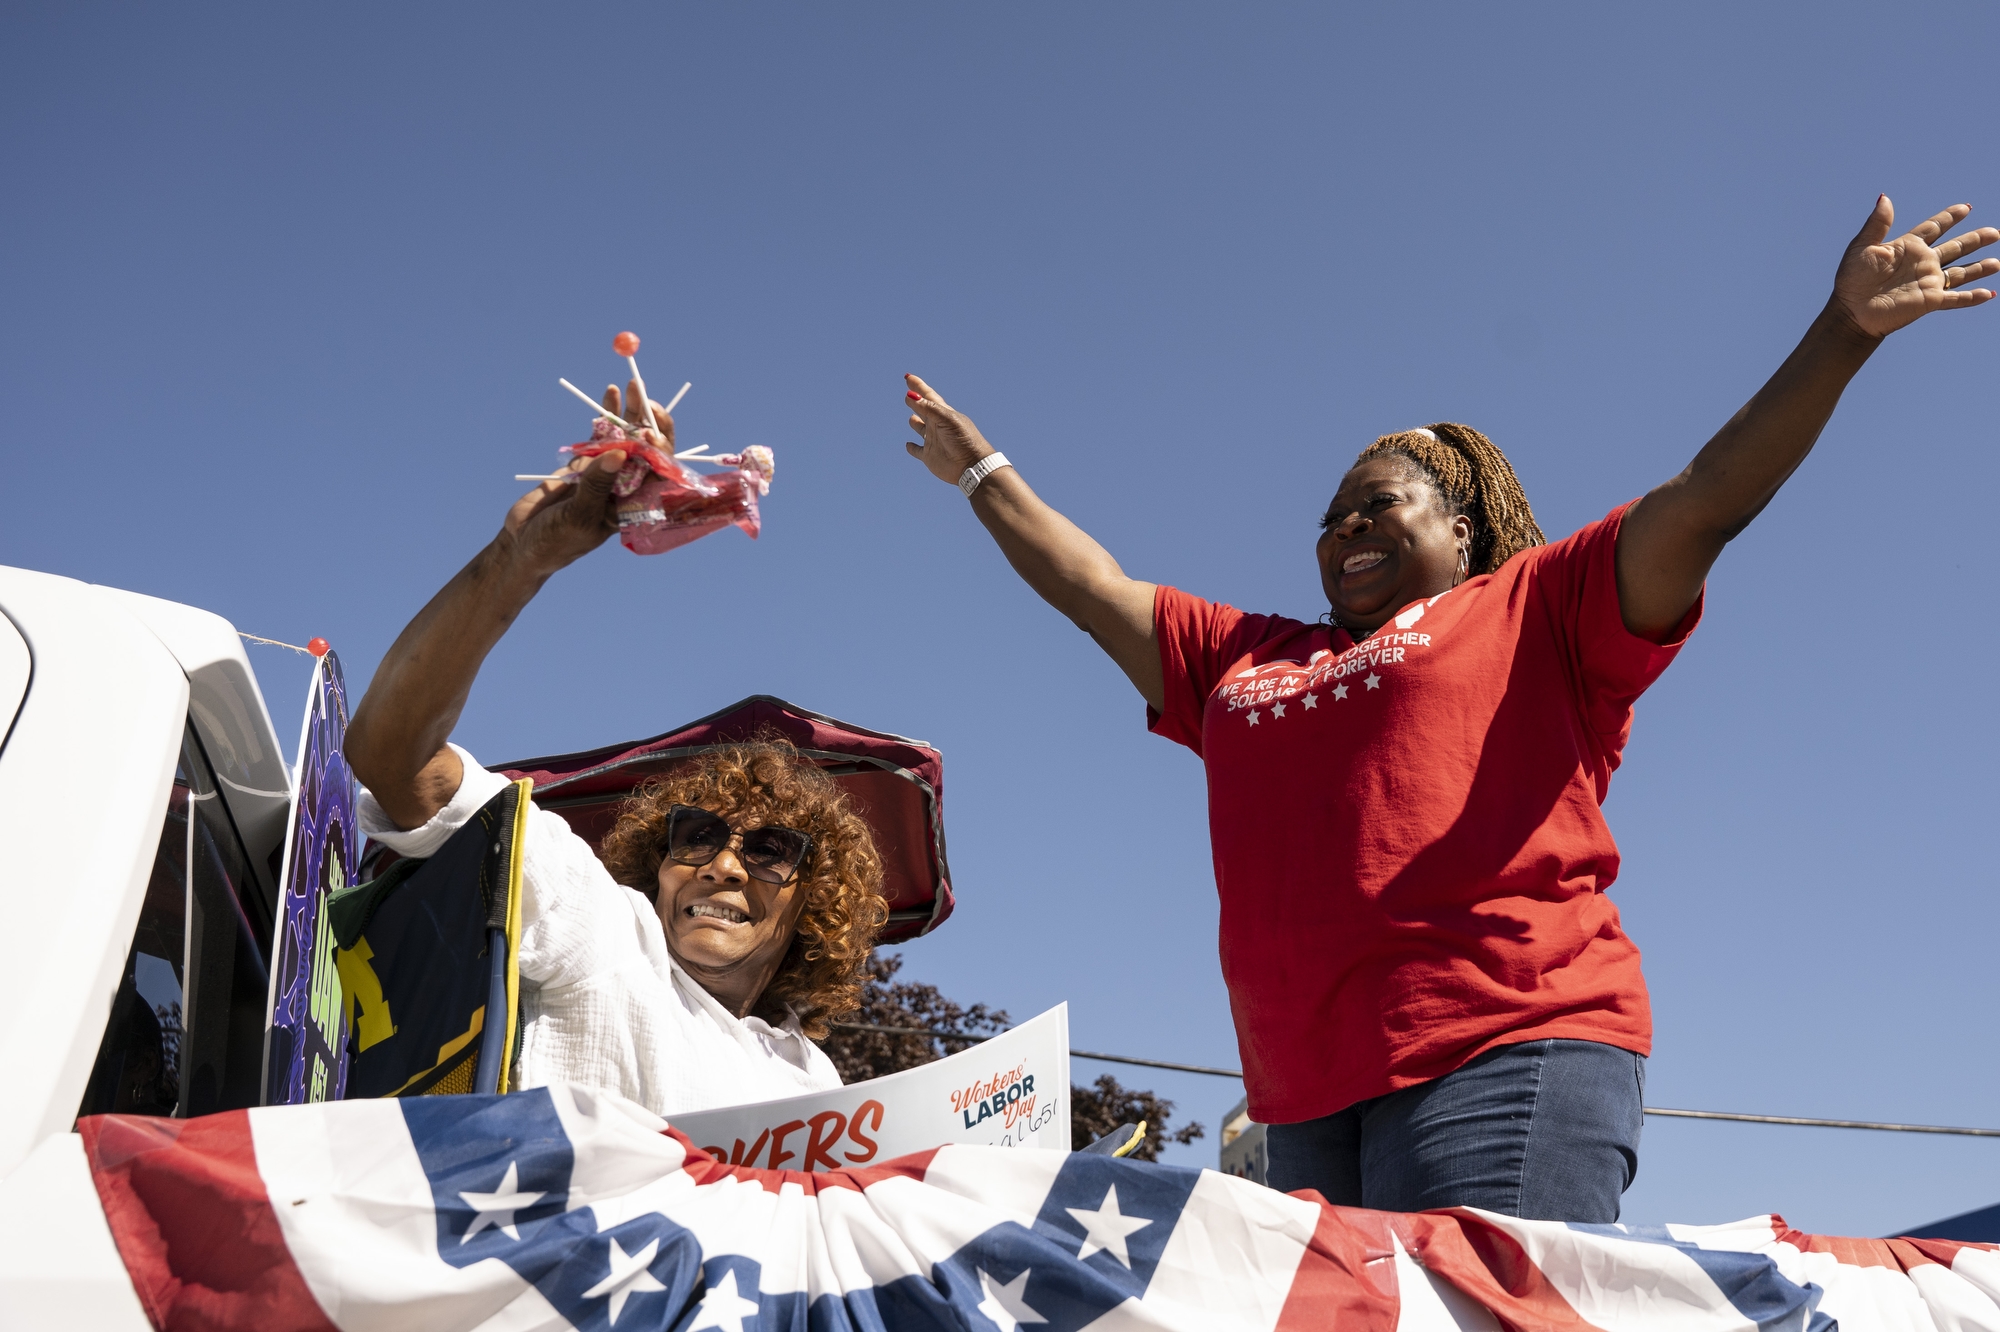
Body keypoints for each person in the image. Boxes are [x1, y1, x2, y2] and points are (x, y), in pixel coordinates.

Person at [899, 197, 1997, 1219]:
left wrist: (1840, 333)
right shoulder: (1241, 656)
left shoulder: (1537, 604)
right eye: (1328, 518)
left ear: (1461, 527)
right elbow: (1091, 587)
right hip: (1303, 1096)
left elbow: (1706, 499)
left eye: (1379, 502)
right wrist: (979, 470)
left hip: (1505, 1040)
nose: (1343, 528)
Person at [345, 384, 888, 1115]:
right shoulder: (603, 930)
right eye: (695, 836)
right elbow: (392, 757)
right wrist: (518, 562)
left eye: (770, 849)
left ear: (813, 900)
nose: (723, 865)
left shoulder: (812, 1080)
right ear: (657, 868)